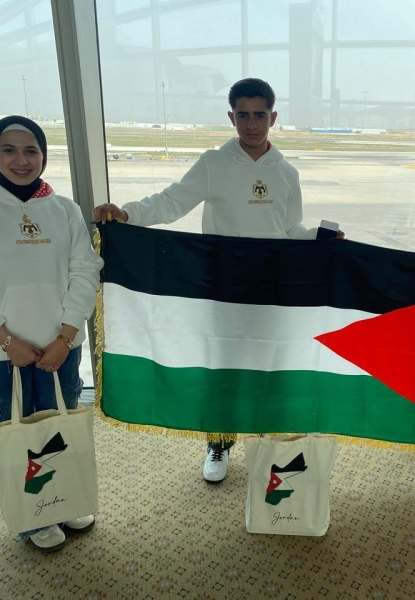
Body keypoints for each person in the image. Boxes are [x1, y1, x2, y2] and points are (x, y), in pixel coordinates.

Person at [93, 78, 344, 485]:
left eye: (259, 115)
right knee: (223, 367)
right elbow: (171, 201)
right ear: (231, 117)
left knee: (267, 364)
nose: (251, 124)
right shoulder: (213, 163)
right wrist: (127, 214)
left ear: (273, 117)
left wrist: (321, 237)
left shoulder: (287, 173)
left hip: (270, 288)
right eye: (243, 115)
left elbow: (289, 229)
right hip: (222, 286)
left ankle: (266, 443)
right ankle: (219, 442)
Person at [0, 115, 104, 551]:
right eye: (9, 150)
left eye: (31, 150)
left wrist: (65, 338)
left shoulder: (65, 210)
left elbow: (85, 272)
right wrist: (7, 341)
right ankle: (34, 520)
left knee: (56, 430)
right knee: (13, 435)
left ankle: (63, 502)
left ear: (44, 155)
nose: (21, 160)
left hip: (57, 349)